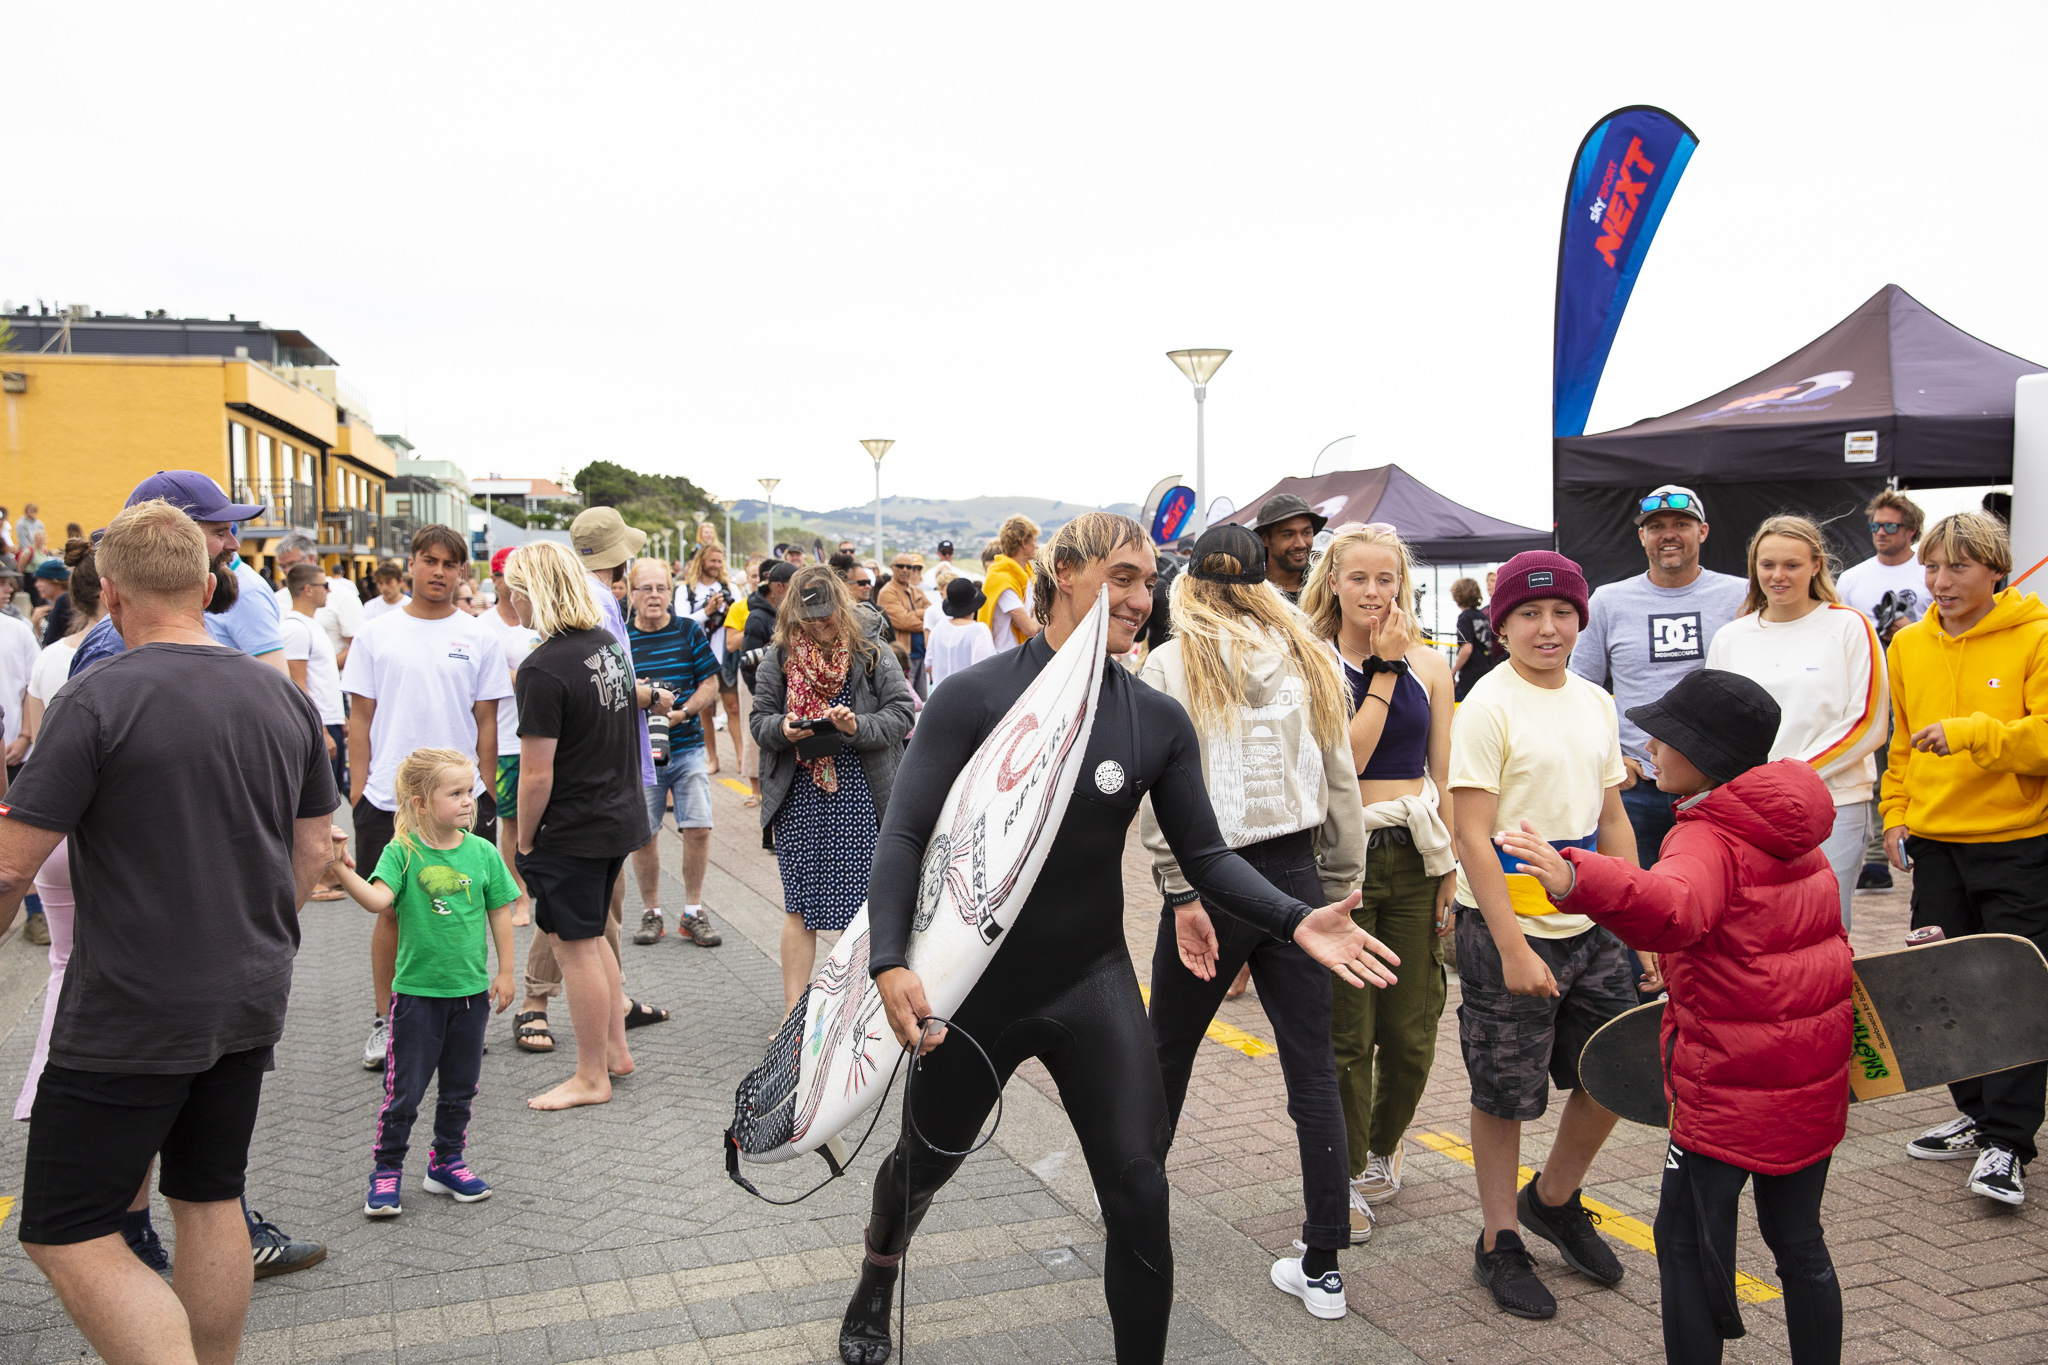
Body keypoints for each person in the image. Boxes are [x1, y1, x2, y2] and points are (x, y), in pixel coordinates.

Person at [834, 513, 1395, 1365]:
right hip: (975, 985)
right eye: (1121, 577)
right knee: (920, 1164)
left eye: (1148, 581)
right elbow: (904, 834)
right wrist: (888, 960)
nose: (1140, 597)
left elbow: (1205, 854)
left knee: (1140, 1192)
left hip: (1092, 982)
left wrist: (1293, 915)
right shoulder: (976, 698)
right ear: (1064, 572)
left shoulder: (1153, 718)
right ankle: (878, 1274)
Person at [1, 497, 337, 1365]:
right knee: (210, 1196)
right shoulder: (281, 698)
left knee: (67, 1228)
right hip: (250, 990)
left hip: (132, 1005)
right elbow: (314, 853)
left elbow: (10, 866)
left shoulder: (96, 695)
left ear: (109, 593)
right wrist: (250, 932)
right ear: (211, 581)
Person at [1503, 670, 1850, 1364]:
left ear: (1705, 749)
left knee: (1685, 1247)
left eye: (1668, 733)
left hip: (1726, 1087)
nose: (1652, 743)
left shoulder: (1707, 836)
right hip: (1807, 1079)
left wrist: (1576, 878)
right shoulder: (1791, 827)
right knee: (1801, 1245)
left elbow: (1675, 907)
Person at [1136, 523, 1366, 1316]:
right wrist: (1339, 884)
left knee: (1165, 1055)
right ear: (1265, 578)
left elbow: (1161, 800)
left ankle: (1134, 1222)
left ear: (1189, 583)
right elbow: (1341, 781)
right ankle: (1325, 1258)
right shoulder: (1308, 652)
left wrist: (1179, 892)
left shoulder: (1169, 662)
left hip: (1211, 876)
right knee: (1313, 1069)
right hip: (1300, 875)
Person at [1448, 549, 1639, 1320]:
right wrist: (1515, 945)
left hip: (1595, 922)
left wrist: (1642, 916)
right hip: (1507, 926)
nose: (1547, 627)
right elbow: (1470, 835)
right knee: (1505, 1093)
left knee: (1620, 1069)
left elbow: (1615, 818)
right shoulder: (1487, 705)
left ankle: (1553, 1199)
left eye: (1562, 611)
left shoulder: (1595, 701)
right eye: (1528, 613)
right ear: (1501, 625)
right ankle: (1499, 1238)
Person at [1882, 512, 2048, 1205]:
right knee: (1943, 984)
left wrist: (1977, 732)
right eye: (1931, 566)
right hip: (1937, 845)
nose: (1940, 581)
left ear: (1995, 569)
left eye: (1957, 566)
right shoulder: (1909, 644)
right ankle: (1978, 1115)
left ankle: (2009, 1141)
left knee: (2011, 989)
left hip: (2018, 843)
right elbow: (1898, 742)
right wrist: (1895, 813)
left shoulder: (2037, 636)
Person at [1301, 526, 1457, 1230]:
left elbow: (1446, 773)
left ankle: (1380, 1146)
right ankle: (1344, 1170)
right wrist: (1384, 672)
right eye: (1358, 577)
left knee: (1414, 1026)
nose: (1373, 592)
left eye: (1386, 579)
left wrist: (1451, 865)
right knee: (1345, 1032)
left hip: (1418, 853)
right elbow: (1346, 762)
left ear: (1403, 584)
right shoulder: (1314, 661)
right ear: (1332, 580)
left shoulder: (1432, 662)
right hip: (1342, 859)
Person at [341, 526, 510, 1071]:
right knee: (392, 913)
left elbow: (488, 722)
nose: (438, 571)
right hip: (389, 800)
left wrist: (480, 790)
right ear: (410, 564)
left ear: (464, 572)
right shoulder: (375, 634)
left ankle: (462, 1016)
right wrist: (359, 785)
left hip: (461, 799)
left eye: (450, 564)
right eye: (428, 561)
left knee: (466, 908)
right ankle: (386, 1021)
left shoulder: (479, 635)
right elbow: (360, 718)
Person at [328, 748, 518, 1215]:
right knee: (404, 1092)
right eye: (454, 793)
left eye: (469, 791)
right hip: (416, 996)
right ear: (419, 803)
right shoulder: (402, 853)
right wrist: (337, 867)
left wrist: (507, 971)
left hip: (471, 996)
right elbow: (377, 902)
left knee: (460, 1088)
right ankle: (387, 1170)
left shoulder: (483, 852)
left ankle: (446, 1162)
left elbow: (500, 912)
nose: (468, 801)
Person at [503, 542, 650, 1111]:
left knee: (575, 948)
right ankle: (614, 1049)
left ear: (529, 590)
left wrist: (523, 840)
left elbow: (536, 775)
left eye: (513, 588)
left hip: (574, 825)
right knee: (593, 937)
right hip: (616, 815)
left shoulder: (542, 667)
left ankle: (591, 1076)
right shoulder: (605, 646)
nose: (508, 599)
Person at [1705, 515, 1887, 928]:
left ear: (1816, 565)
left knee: (1826, 928)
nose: (1778, 575)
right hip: (1752, 813)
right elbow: (1717, 729)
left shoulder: (1848, 626)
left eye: (1792, 564)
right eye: (1767, 564)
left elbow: (1867, 724)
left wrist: (1789, 780)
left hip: (1834, 804)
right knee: (1763, 930)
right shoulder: (1730, 638)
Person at [751, 566, 915, 1013]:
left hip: (860, 794)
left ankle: (849, 1015)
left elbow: (903, 714)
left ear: (840, 607)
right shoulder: (779, 657)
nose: (821, 625)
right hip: (800, 794)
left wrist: (856, 725)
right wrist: (784, 729)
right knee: (799, 907)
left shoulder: (870, 650)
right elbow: (759, 721)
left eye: (826, 616)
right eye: (810, 619)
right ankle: (793, 1018)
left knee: (859, 910)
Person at [1568, 484, 1746, 879]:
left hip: (1721, 785)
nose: (1668, 534)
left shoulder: (1741, 595)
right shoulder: (1609, 601)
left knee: (1723, 899)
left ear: (1702, 531)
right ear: (1641, 536)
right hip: (1640, 787)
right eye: (1656, 526)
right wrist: (1614, 758)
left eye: (1681, 523)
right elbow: (1579, 690)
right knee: (1641, 907)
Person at [14, 536, 105, 1116]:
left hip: (49, 832)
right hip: (99, 833)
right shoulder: (121, 656)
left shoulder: (49, 657)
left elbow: (31, 748)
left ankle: (41, 1091)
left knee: (62, 964)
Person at [624, 557, 725, 949]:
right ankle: (653, 912)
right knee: (644, 835)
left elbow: (711, 683)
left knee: (698, 828)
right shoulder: (622, 639)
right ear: (631, 595)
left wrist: (683, 713)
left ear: (672, 591)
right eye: (645, 588)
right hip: (640, 755)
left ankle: (693, 911)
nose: (654, 596)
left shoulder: (687, 630)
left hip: (688, 747)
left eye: (661, 588)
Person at [480, 548, 543, 941]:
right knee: (511, 821)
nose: (511, 583)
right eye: (505, 575)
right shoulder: (483, 626)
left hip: (541, 736)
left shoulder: (539, 620)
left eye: (518, 576)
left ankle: (539, 888)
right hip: (504, 739)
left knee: (543, 818)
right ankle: (519, 896)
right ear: (495, 578)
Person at [282, 563, 351, 900]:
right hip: (317, 726)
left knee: (330, 801)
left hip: (331, 720)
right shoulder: (295, 628)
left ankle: (327, 867)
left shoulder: (311, 626)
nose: (329, 590)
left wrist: (340, 720)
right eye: (324, 584)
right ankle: (312, 877)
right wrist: (320, 729)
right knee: (316, 806)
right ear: (307, 589)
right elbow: (298, 684)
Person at [679, 542, 743, 773]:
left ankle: (740, 757)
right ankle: (712, 758)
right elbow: (682, 622)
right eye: (712, 561)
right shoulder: (686, 590)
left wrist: (726, 609)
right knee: (705, 709)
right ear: (702, 562)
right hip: (699, 655)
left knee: (733, 707)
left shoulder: (730, 587)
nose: (716, 565)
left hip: (726, 656)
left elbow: (738, 618)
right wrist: (706, 612)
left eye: (719, 561)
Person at [1836, 490, 1930, 644]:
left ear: (1911, 530)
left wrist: (1910, 631)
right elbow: (1840, 633)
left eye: (1890, 526)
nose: (1880, 533)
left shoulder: (1930, 574)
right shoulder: (1850, 578)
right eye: (1875, 526)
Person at [737, 562, 795, 809]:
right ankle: (757, 792)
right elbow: (747, 661)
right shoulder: (758, 617)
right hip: (762, 689)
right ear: (780, 586)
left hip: (781, 693)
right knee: (758, 743)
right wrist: (761, 693)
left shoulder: (786, 611)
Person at [272, 532, 363, 669]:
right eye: (282, 566)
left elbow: (358, 645)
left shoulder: (343, 596)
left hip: (332, 683)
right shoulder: (277, 599)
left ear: (311, 558)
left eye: (291, 564)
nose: (287, 571)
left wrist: (322, 671)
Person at [977, 515, 1040, 651]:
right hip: (1006, 657)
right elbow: (1029, 629)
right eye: (1034, 541)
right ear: (1024, 542)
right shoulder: (1002, 580)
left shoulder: (1025, 575)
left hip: (1019, 653)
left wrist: (1033, 616)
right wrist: (1038, 617)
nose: (1036, 546)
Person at [1251, 495, 1327, 605]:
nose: (1300, 544)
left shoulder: (1327, 587)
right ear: (1264, 539)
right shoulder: (1248, 593)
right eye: (1288, 535)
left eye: (1306, 533)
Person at [925, 575, 995, 692]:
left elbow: (928, 666)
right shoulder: (979, 630)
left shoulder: (938, 628)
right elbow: (986, 670)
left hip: (939, 698)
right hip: (967, 698)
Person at [877, 552, 929, 693]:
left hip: (921, 654)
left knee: (922, 701)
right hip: (903, 657)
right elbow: (904, 621)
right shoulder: (887, 592)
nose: (905, 570)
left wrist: (915, 614)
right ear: (892, 567)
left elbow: (933, 613)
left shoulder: (916, 591)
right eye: (901, 566)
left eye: (909, 567)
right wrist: (924, 620)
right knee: (906, 700)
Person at [1451, 575, 1503, 701]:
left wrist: (1452, 671)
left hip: (1470, 676)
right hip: (1486, 671)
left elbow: (1467, 648)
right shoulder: (1483, 616)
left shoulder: (1464, 618)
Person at [32, 559, 72, 646]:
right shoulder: (51, 607)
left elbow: (50, 647)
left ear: (56, 581)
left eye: (41, 580)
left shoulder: (67, 610)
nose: (37, 585)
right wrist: (36, 626)